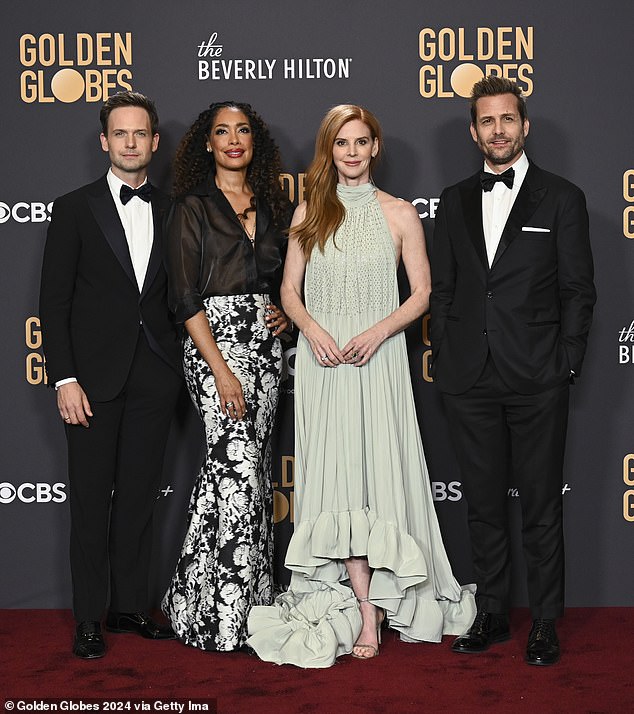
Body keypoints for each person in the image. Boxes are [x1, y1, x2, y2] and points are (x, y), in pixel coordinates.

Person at [247, 105, 475, 668]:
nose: (351, 151)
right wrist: (315, 335)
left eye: (361, 141)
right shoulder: (308, 212)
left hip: (380, 361)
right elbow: (290, 293)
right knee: (341, 482)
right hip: (325, 367)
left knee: (378, 478)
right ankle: (366, 610)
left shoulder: (401, 215)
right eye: (340, 142)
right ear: (329, 150)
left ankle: (381, 601)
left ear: (375, 147)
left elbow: (421, 294)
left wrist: (377, 332)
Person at [430, 76, 595, 666]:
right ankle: (493, 613)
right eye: (486, 121)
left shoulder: (562, 198)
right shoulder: (451, 201)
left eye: (507, 120)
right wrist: (445, 355)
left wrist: (567, 360)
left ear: (524, 127)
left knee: (542, 505)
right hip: (469, 378)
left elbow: (579, 290)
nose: (497, 130)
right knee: (481, 505)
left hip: (537, 377)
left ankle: (545, 622)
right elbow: (443, 290)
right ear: (474, 132)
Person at [39, 91, 183, 659]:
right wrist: (63, 377)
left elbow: (190, 292)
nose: (129, 143)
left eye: (139, 134)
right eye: (119, 134)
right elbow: (53, 302)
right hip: (91, 382)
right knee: (91, 503)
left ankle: (127, 607)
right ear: (105, 142)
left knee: (139, 500)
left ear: (153, 142)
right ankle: (87, 619)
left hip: (156, 376)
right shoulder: (73, 207)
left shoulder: (174, 209)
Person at [162, 101, 292, 652]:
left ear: (253, 142)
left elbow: (288, 277)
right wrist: (220, 370)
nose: (233, 139)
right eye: (222, 131)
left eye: (242, 130)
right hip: (212, 343)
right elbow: (184, 295)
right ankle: (216, 617)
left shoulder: (276, 204)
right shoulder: (190, 206)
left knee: (249, 471)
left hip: (266, 347)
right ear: (207, 144)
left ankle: (224, 604)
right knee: (235, 465)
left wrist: (286, 311)